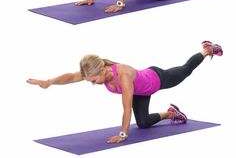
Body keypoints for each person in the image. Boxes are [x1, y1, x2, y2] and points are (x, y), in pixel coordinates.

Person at [27, 41, 222, 144]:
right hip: (141, 91)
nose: (92, 84)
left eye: (93, 80)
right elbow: (71, 76)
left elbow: (126, 108)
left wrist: (123, 134)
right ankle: (171, 113)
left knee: (186, 70)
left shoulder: (124, 75)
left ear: (102, 71)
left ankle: (207, 50)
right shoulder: (96, 70)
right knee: (144, 124)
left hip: (157, 79)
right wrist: (48, 82)